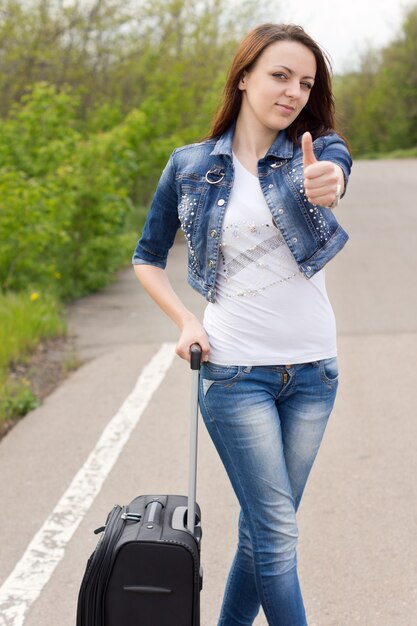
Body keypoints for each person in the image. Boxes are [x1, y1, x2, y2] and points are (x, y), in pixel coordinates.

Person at [132, 22, 352, 626]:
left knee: (264, 535)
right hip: (235, 376)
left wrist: (329, 183)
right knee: (277, 533)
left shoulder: (319, 151)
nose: (293, 92)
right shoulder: (191, 166)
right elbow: (146, 257)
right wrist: (183, 321)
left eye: (305, 83)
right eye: (280, 75)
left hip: (315, 373)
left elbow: (333, 175)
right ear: (244, 76)